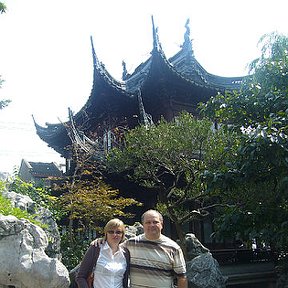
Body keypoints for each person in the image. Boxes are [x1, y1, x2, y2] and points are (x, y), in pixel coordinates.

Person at [93, 209, 188, 288]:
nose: (151, 225)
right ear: (143, 225)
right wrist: (102, 240)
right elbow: (112, 247)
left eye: (155, 222)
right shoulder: (132, 243)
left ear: (162, 224)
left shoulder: (173, 248)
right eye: (148, 222)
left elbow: (181, 277)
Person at [76, 218, 130, 288]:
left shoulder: (125, 253)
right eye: (111, 232)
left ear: (122, 235)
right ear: (106, 233)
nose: (114, 235)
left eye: (118, 232)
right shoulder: (96, 249)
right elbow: (80, 276)